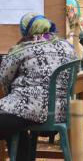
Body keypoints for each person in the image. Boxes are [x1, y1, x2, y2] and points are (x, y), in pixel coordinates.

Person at [0, 13, 76, 161]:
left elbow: (4, 77)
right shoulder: (67, 46)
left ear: (26, 30)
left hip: (28, 109)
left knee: (8, 121)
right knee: (11, 123)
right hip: (59, 110)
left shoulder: (22, 49)